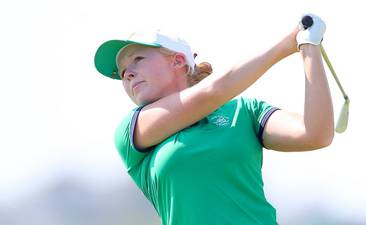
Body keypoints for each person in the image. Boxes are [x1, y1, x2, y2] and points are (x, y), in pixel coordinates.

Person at [94, 14, 334, 225]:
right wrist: (287, 43)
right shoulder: (133, 129)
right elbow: (212, 93)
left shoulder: (245, 110)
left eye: (137, 59)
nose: (128, 73)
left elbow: (315, 134)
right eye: (122, 72)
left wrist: (308, 47)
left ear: (177, 61)